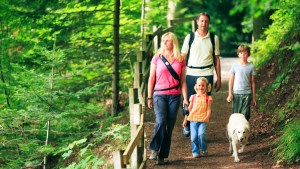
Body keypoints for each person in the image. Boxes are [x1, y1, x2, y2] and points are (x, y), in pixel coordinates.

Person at [147, 32, 189, 165]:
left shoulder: (180, 59)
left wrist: (186, 98)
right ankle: (154, 149)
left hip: (175, 96)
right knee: (161, 121)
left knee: (169, 127)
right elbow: (151, 78)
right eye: (163, 40)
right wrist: (149, 97)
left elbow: (183, 81)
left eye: (167, 40)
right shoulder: (157, 58)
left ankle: (162, 155)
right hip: (159, 94)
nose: (164, 43)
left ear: (173, 43)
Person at [181, 12, 221, 137]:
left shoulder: (214, 38)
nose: (204, 24)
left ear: (209, 23)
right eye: (201, 21)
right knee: (188, 100)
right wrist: (180, 75)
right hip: (191, 72)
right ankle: (187, 123)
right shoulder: (190, 37)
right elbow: (183, 56)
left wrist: (219, 78)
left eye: (206, 21)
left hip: (207, 73)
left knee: (203, 102)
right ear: (197, 22)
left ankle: (199, 129)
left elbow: (217, 59)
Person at [182, 77, 213, 158]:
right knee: (194, 136)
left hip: (203, 119)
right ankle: (195, 151)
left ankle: (204, 148)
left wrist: (207, 117)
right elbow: (189, 109)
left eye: (203, 85)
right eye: (199, 85)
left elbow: (209, 109)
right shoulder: (193, 97)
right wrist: (185, 120)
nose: (201, 87)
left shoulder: (208, 98)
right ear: (196, 86)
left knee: (201, 134)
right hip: (193, 119)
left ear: (206, 87)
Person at [227, 45, 257, 120]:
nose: (243, 55)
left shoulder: (251, 67)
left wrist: (253, 98)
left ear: (248, 54)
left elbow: (253, 82)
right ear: (238, 54)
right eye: (241, 53)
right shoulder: (234, 66)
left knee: (245, 115)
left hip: (247, 93)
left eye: (245, 53)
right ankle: (236, 131)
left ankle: (244, 131)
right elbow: (231, 80)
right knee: (236, 115)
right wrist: (230, 94)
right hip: (236, 93)